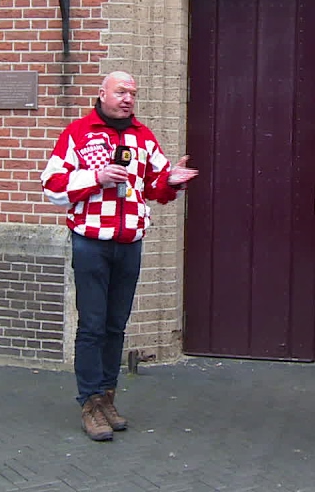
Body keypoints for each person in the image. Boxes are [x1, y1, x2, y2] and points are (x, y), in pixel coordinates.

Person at [41, 71, 198, 442]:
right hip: (91, 243)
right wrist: (95, 177)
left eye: (133, 93)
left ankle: (107, 396)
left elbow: (155, 186)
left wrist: (171, 180)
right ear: (102, 94)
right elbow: (52, 186)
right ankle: (89, 403)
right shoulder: (78, 133)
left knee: (116, 325)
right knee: (92, 326)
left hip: (129, 243)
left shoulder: (143, 137)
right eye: (121, 92)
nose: (128, 99)